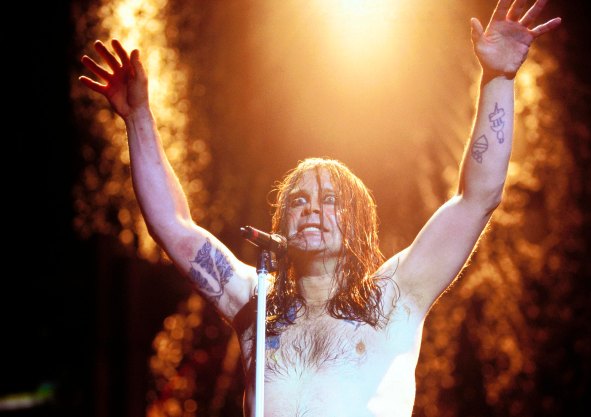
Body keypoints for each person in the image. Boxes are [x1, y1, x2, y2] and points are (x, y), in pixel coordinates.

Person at [79, 0, 561, 416]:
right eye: (299, 200)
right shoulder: (255, 304)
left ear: (357, 223)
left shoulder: (394, 297)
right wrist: (139, 117)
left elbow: (476, 199)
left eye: (332, 200)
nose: (312, 209)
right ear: (282, 221)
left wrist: (497, 77)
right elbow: (173, 226)